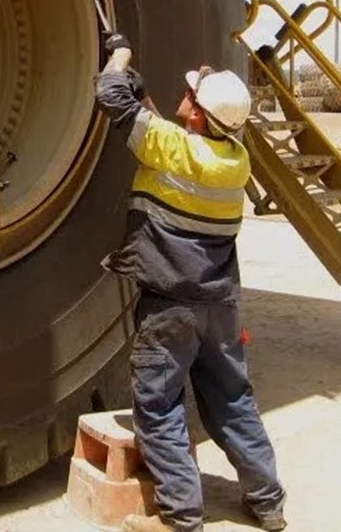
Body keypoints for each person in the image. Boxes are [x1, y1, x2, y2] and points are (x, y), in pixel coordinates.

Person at [94, 33, 286, 532]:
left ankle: (180, 516)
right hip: (218, 306)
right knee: (232, 399)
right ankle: (267, 503)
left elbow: (109, 96)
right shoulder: (234, 162)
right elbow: (166, 133)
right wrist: (145, 96)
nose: (183, 100)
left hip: (170, 306)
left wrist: (118, 57)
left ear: (198, 116)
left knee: (158, 409)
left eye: (191, 97)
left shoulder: (172, 149)